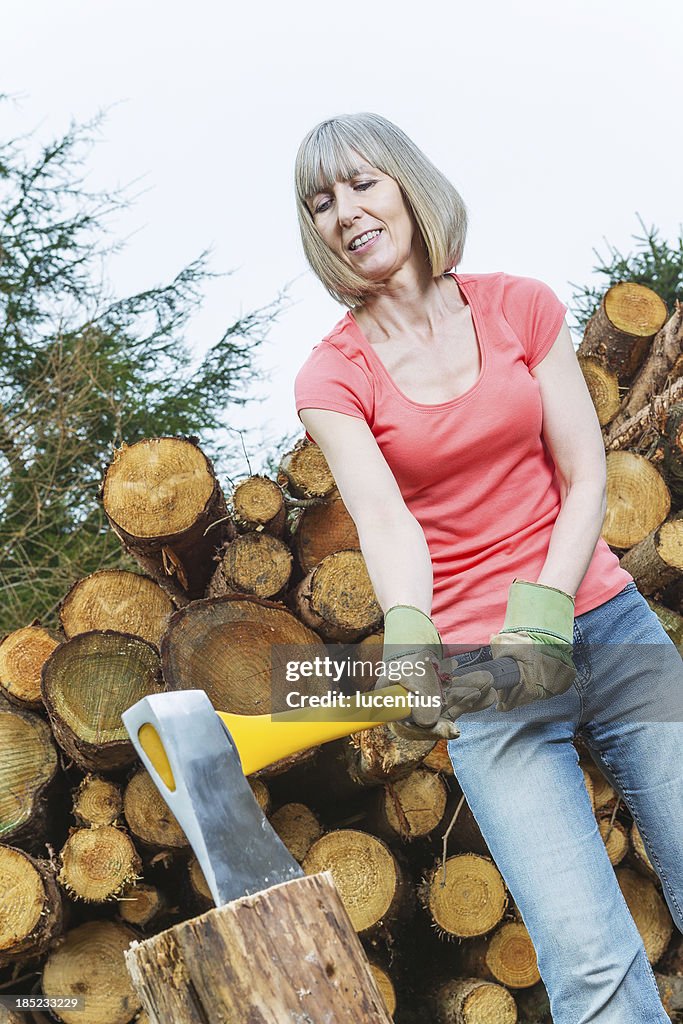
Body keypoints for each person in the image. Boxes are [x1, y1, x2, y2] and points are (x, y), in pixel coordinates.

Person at [292, 111, 683, 1023]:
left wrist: (547, 602)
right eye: (319, 201)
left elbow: (585, 473)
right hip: (484, 675)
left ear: (407, 186)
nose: (344, 211)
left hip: (607, 628)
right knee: (588, 962)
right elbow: (387, 525)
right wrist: (408, 630)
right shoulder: (332, 377)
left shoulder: (518, 306)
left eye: (361, 184)